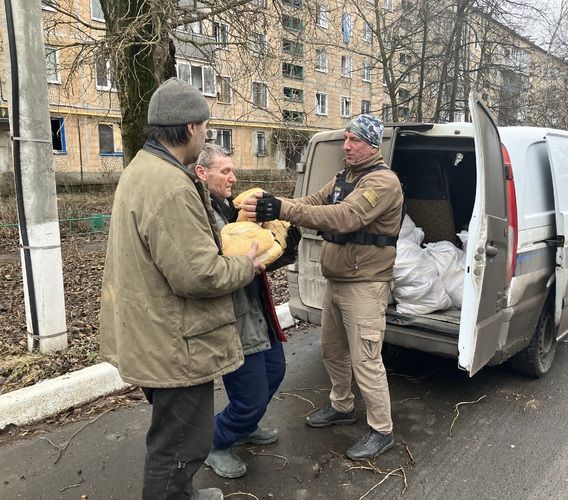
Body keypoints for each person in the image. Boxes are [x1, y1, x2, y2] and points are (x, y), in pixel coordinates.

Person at [99, 77, 264, 500]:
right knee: (179, 447)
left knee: (176, 437)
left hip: (156, 332)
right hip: (175, 343)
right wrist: (245, 264)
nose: (206, 135)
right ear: (190, 128)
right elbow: (200, 275)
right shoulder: (170, 186)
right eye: (206, 127)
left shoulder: (144, 167)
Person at [241, 114, 403, 460]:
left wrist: (284, 208)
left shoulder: (383, 183)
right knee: (332, 351)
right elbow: (314, 203)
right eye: (345, 139)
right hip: (338, 281)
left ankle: (381, 429)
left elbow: (345, 217)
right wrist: (276, 205)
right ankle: (341, 406)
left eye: (355, 140)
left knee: (366, 360)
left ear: (373, 146)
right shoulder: (345, 177)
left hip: (366, 285)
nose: (347, 146)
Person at [191, 144, 300, 478]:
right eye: (225, 171)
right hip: (231, 317)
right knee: (249, 394)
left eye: (232, 170)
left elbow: (256, 261)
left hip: (256, 307)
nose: (233, 178)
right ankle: (216, 442)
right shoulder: (197, 212)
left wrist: (284, 243)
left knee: (275, 371)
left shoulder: (227, 204)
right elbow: (214, 263)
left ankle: (244, 425)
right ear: (201, 172)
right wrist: (239, 229)